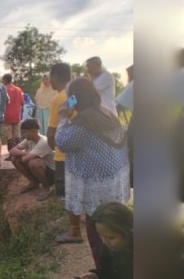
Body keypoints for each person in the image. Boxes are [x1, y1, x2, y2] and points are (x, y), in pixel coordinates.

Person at [55, 78, 130, 269]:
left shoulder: (85, 121)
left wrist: (64, 117)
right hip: (113, 181)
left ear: (75, 98)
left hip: (97, 187)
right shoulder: (107, 113)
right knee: (116, 233)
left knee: (99, 235)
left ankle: (104, 271)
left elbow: (63, 142)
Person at [79, 202, 133, 279]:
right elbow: (108, 272)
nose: (104, 241)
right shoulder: (110, 250)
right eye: (100, 236)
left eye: (111, 238)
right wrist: (98, 276)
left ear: (127, 231)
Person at [9, 119, 55, 201]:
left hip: (52, 173)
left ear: (34, 131)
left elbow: (25, 160)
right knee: (14, 158)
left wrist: (26, 155)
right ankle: (33, 182)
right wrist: (25, 153)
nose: (23, 134)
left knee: (33, 163)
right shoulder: (29, 140)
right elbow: (12, 151)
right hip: (42, 169)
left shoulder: (43, 142)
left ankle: (46, 187)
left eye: (25, 132)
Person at [47, 63, 72, 198]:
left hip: (63, 154)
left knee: (63, 193)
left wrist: (54, 147)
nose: (49, 80)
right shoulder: (75, 94)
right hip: (77, 152)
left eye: (50, 77)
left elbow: (51, 131)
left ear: (55, 77)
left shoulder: (58, 98)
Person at [2, 73, 25, 157]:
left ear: (4, 80)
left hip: (7, 116)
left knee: (9, 137)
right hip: (17, 116)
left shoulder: (4, 89)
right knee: (17, 136)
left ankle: (12, 155)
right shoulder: (18, 89)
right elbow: (22, 102)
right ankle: (19, 153)